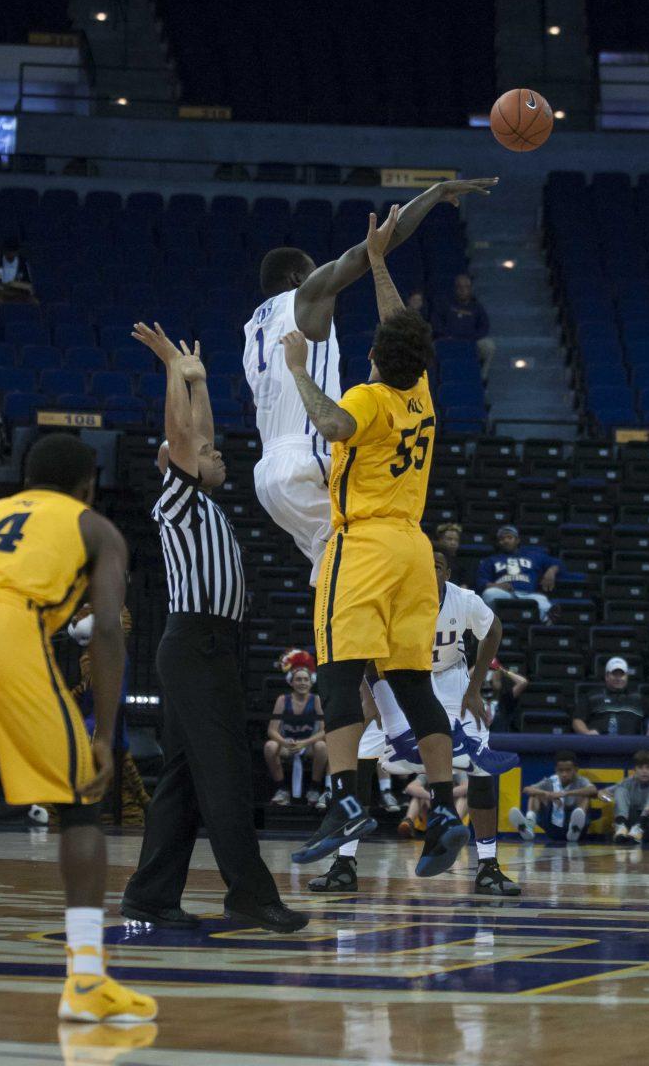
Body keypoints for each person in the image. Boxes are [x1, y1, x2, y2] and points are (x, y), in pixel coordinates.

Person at [282, 205, 487, 878]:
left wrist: (298, 371)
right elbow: (403, 330)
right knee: (413, 682)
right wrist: (376, 262)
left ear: (375, 358)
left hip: (365, 545)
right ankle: (448, 812)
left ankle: (343, 800)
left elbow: (335, 425)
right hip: (414, 553)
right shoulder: (421, 391)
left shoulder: (369, 396)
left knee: (340, 671)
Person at [0, 433, 156, 1023]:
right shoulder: (94, 526)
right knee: (81, 803)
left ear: (24, 481)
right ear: (88, 483)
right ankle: (87, 981)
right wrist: (104, 736)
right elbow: (110, 631)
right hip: (10, 631)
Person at [121, 323, 306, 934]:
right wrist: (174, 369)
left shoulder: (202, 500)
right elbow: (182, 438)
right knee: (226, 768)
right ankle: (250, 894)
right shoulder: (175, 498)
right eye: (205, 455)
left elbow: (196, 434)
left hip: (210, 646)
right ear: (175, 465)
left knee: (183, 777)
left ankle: (149, 895)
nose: (216, 450)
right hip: (196, 645)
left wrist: (197, 383)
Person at [243, 178, 497, 583]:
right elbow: (373, 247)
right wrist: (432, 196)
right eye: (312, 272)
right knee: (378, 558)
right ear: (297, 278)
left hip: (269, 476)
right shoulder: (303, 298)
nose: (323, 282)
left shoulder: (253, 330)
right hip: (306, 459)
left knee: (336, 577)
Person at [308, 545, 520, 896]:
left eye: (438, 566)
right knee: (358, 759)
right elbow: (358, 646)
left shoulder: (464, 600)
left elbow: (493, 630)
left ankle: (488, 866)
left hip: (451, 678)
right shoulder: (391, 598)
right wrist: (367, 695)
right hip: (395, 678)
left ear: (447, 574)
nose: (431, 571)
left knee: (482, 764)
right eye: (425, 565)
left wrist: (475, 686)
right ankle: (344, 864)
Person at [67, 602, 151, 825]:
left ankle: (135, 814)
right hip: (101, 722)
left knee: (116, 774)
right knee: (123, 777)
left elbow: (93, 686)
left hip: (101, 726)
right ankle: (136, 811)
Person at [264, 655, 327, 806]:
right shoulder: (282, 700)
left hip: (308, 745)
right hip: (287, 744)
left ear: (311, 682)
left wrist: (304, 743)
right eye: (298, 679)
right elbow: (272, 730)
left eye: (305, 679)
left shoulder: (316, 700)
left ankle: (314, 788)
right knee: (270, 746)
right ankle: (282, 790)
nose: (302, 683)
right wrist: (284, 742)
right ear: (291, 682)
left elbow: (324, 731)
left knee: (322, 746)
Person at [509, 750, 597, 843]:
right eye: (561, 770)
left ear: (575, 770)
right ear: (556, 770)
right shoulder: (551, 781)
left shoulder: (581, 781)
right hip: (552, 825)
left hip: (573, 828)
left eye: (568, 770)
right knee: (535, 794)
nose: (564, 774)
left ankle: (575, 827)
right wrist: (547, 794)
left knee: (586, 795)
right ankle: (529, 825)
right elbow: (527, 789)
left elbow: (593, 790)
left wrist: (565, 793)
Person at [476, 524, 560, 621]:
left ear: (517, 540)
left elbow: (556, 563)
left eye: (509, 537)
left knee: (542, 601)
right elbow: (481, 581)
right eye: (502, 539)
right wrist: (496, 585)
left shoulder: (533, 556)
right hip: (504, 594)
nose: (506, 541)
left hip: (528, 594)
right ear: (499, 543)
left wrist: (551, 571)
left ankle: (547, 622)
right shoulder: (491, 560)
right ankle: (490, 624)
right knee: (489, 594)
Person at [601, 750, 649, 845]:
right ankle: (621, 825)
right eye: (640, 768)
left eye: (648, 767)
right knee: (620, 789)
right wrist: (605, 797)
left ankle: (640, 826)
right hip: (632, 829)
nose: (644, 771)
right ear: (634, 770)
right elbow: (602, 792)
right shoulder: (627, 782)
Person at [430, 272, 496, 381]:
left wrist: (472, 337)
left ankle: (481, 379)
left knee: (489, 346)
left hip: (470, 342)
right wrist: (445, 335)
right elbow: (436, 322)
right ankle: (434, 382)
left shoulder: (476, 307)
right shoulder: (445, 303)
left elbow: (484, 327)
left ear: (470, 289)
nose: (463, 290)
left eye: (466, 287)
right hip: (447, 340)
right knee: (429, 348)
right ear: (455, 288)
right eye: (460, 287)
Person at [572, 657, 645, 735]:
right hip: (600, 743)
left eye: (622, 674)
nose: (618, 678)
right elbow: (577, 720)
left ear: (627, 677)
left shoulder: (637, 698)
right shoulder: (592, 696)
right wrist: (587, 733)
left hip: (632, 744)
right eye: (614, 674)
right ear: (606, 676)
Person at [0, 237, 36, 306]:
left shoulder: (23, 264)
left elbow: (29, 286)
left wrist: (14, 284)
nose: (11, 252)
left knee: (33, 301)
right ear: (4, 250)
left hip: (18, 292)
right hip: (0, 292)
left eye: (13, 250)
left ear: (17, 251)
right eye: (8, 250)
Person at [489, 663, 529, 732]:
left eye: (497, 677)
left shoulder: (506, 697)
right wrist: (480, 665)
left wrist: (504, 671)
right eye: (493, 678)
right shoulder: (475, 698)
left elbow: (523, 682)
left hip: (500, 738)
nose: (495, 678)